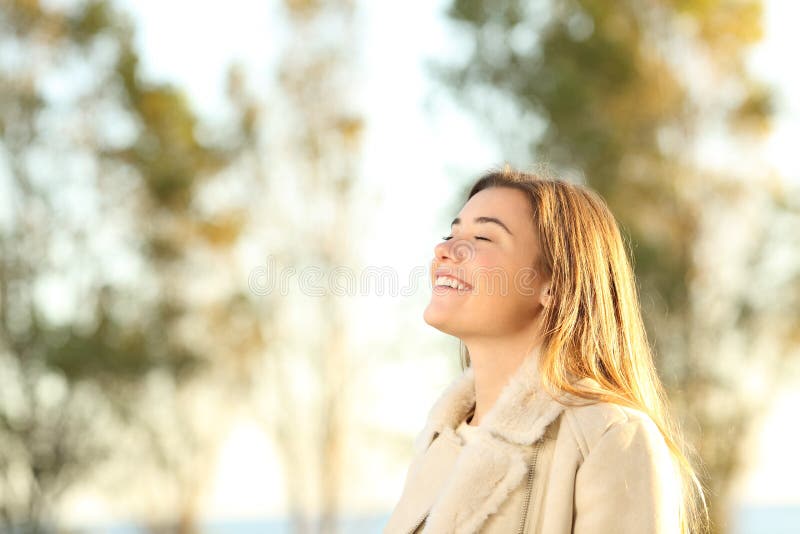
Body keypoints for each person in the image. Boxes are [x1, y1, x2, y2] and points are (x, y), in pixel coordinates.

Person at [383, 168, 708, 534]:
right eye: (451, 235)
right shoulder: (439, 440)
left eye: (483, 237)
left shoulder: (611, 437)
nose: (444, 250)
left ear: (553, 286)